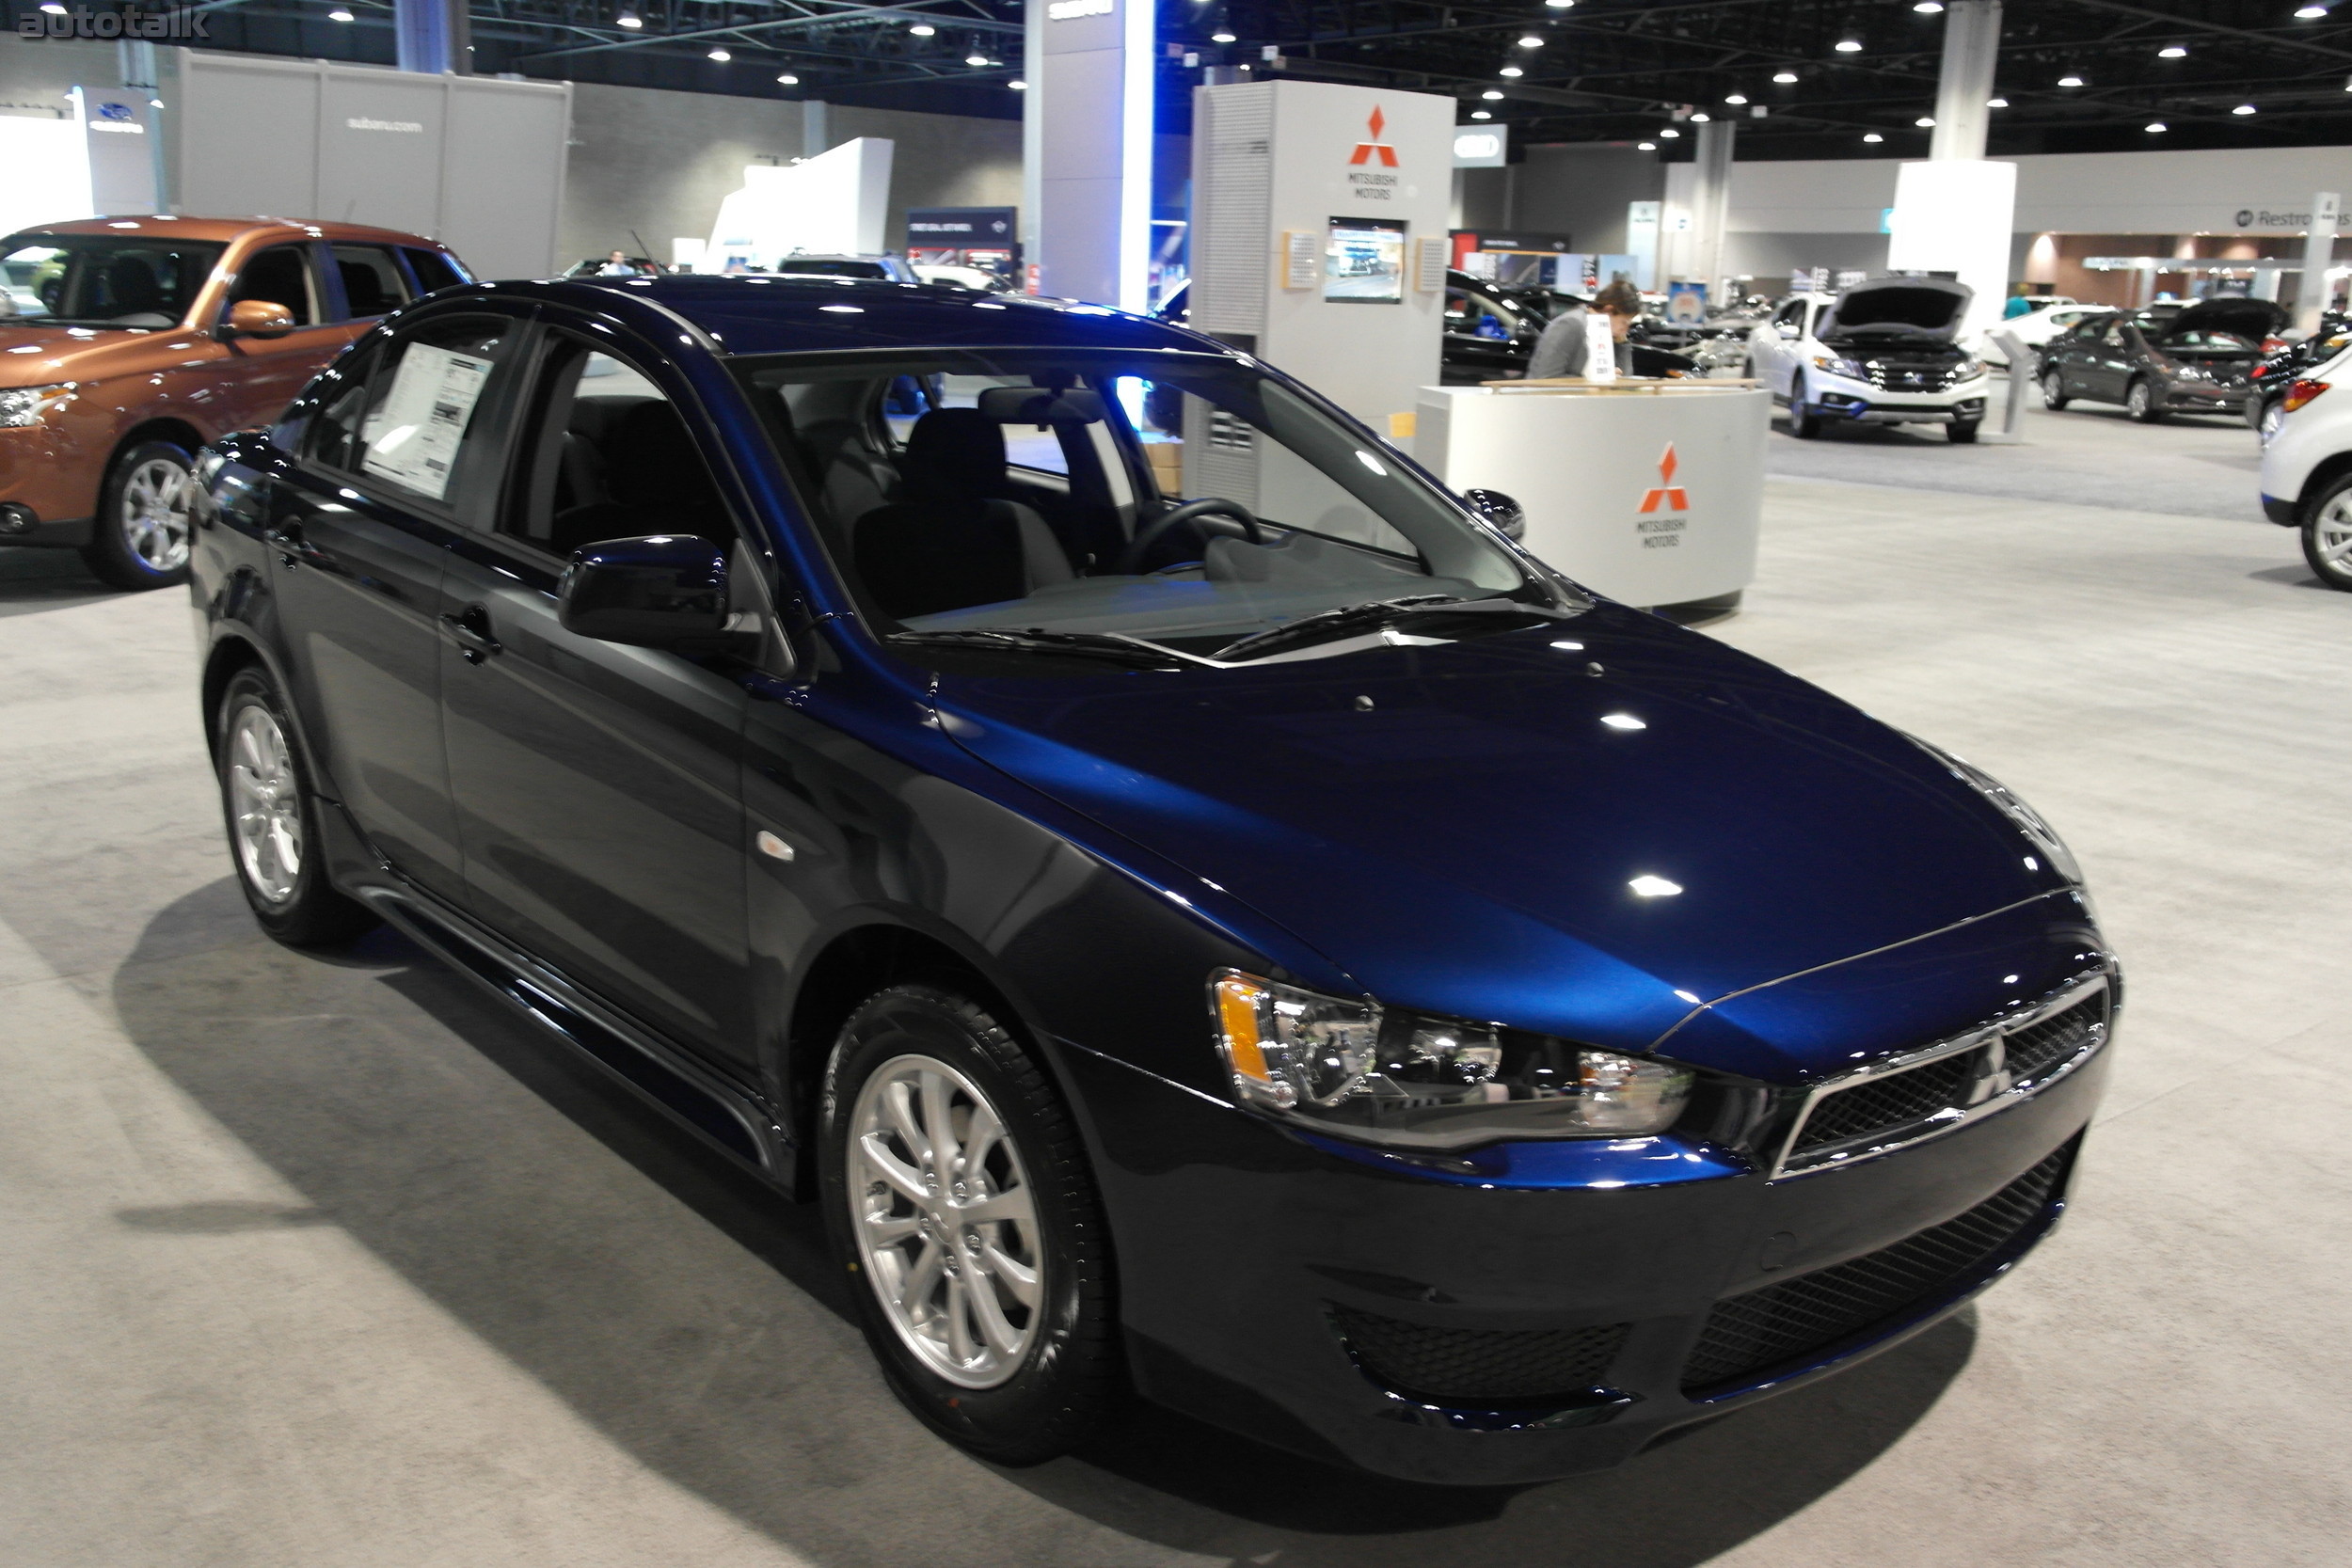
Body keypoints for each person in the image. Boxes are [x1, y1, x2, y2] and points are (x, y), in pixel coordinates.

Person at [1527, 280, 1641, 380]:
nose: (1625, 329)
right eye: (1624, 322)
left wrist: (1622, 343)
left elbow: (1624, 378)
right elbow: (1544, 377)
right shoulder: (1571, 324)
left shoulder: (1606, 333)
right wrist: (1594, 380)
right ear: (1608, 310)